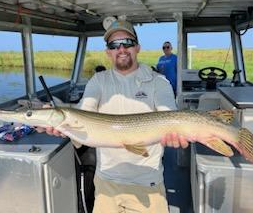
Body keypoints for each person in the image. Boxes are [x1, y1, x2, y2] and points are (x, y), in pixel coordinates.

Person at [43, 19, 188, 213]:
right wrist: (63, 127)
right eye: (114, 45)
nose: (121, 49)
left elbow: (169, 116)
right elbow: (83, 111)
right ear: (108, 52)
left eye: (127, 42)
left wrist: (175, 133)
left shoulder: (158, 82)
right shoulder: (98, 81)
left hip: (148, 183)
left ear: (137, 47)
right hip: (106, 183)